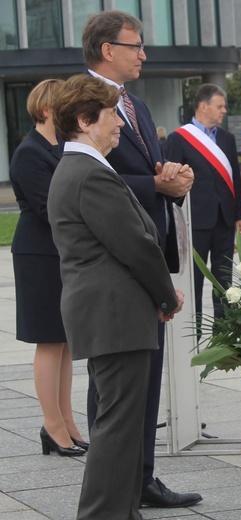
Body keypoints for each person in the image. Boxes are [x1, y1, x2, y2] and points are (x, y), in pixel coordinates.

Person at [47, 74, 183, 520]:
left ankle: (121, 511)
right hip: (114, 315)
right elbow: (136, 246)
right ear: (86, 121)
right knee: (118, 428)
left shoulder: (87, 167)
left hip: (115, 314)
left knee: (121, 426)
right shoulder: (88, 173)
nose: (121, 124)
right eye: (112, 116)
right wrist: (166, 296)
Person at [81, 10, 201, 508]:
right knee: (115, 386)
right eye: (136, 45)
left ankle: (142, 476)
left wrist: (170, 179)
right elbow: (82, 180)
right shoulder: (82, 104)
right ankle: (114, 485)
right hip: (113, 262)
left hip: (147, 252)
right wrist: (153, 184)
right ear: (108, 50)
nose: (144, 54)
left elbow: (145, 171)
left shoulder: (137, 106)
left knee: (148, 376)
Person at [10, 79, 87, 457]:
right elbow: (48, 207)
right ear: (46, 110)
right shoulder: (30, 153)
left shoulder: (61, 149)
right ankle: (52, 425)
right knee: (49, 340)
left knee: (66, 342)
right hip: (39, 255)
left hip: (61, 253)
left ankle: (67, 421)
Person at [165, 83, 241, 328]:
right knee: (196, 281)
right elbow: (171, 183)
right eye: (219, 106)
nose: (223, 111)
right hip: (195, 222)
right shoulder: (178, 139)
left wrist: (240, 214)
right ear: (204, 106)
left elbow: (234, 178)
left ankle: (224, 331)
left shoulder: (227, 139)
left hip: (224, 220)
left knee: (224, 279)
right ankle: (196, 331)